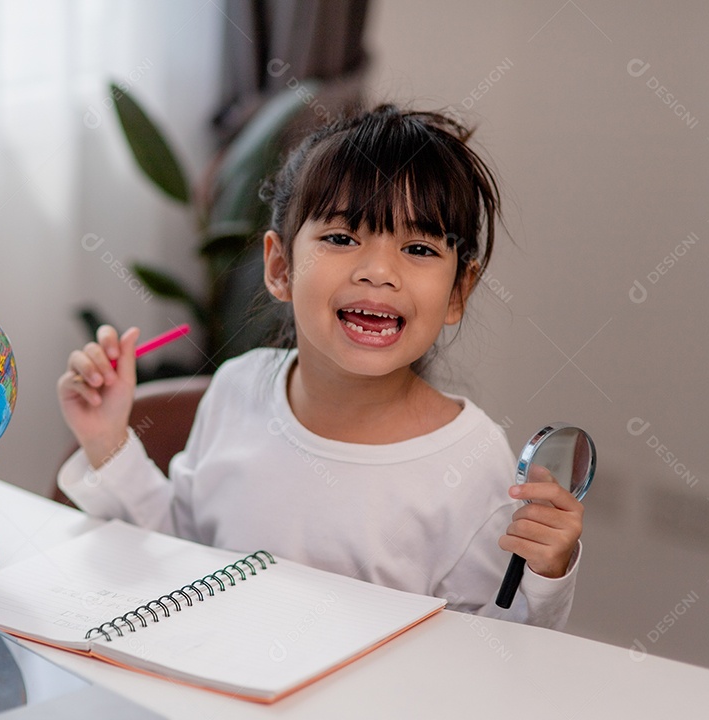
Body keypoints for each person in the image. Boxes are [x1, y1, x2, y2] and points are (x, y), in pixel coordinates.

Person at [56, 104, 583, 630]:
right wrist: (107, 441)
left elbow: (498, 653)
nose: (378, 271)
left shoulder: (472, 460)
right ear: (281, 267)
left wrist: (546, 572)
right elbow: (176, 553)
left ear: (456, 293)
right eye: (341, 239)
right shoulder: (236, 389)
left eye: (419, 248)